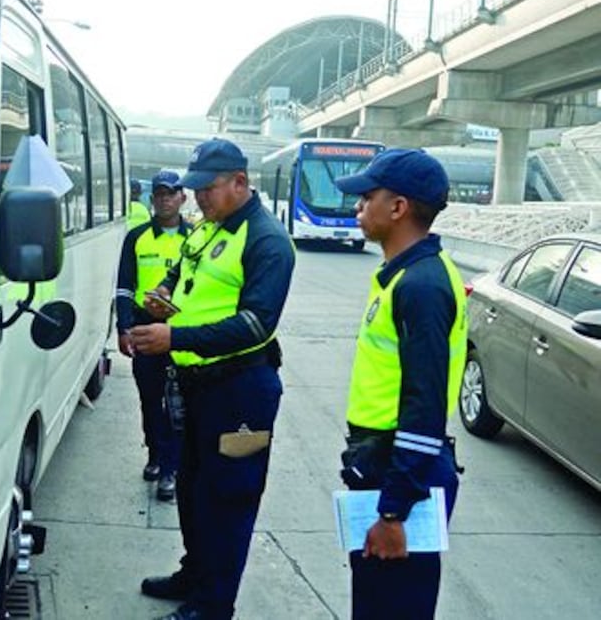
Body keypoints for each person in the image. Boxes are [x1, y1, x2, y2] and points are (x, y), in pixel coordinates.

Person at [129, 139, 296, 620]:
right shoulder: (207, 229)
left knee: (229, 498)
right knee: (192, 487)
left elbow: (255, 324)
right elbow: (182, 276)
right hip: (197, 386)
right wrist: (163, 295)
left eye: (209, 188)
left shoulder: (267, 240)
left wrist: (174, 335)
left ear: (240, 182)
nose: (199, 197)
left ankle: (213, 604)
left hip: (242, 392)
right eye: (195, 189)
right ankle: (194, 573)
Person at [332, 148, 467, 620]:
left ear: (398, 207)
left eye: (367, 197)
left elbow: (423, 406)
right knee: (376, 601)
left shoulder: (422, 286)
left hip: (402, 473)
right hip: (385, 465)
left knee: (393, 607)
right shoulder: (404, 275)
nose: (357, 207)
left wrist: (393, 512)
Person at [116, 170, 191, 502]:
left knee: (177, 404)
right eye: (159, 194)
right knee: (150, 400)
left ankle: (171, 469)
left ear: (182, 198)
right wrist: (123, 328)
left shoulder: (197, 238)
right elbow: (123, 286)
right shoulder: (136, 237)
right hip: (144, 330)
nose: (164, 199)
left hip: (181, 332)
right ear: (152, 199)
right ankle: (155, 455)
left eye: (171, 193)